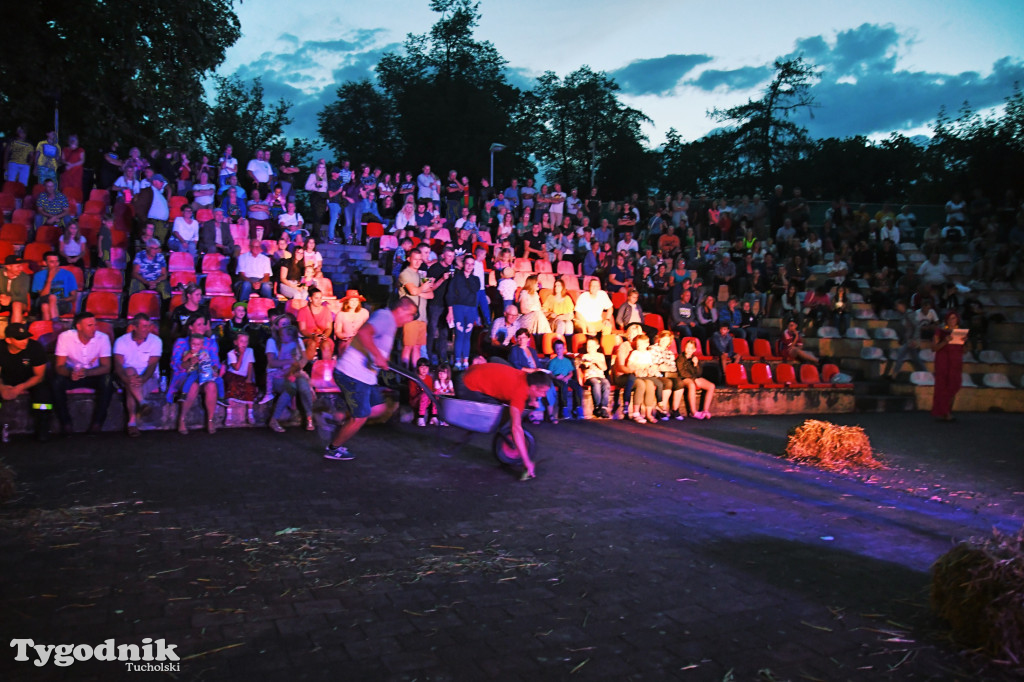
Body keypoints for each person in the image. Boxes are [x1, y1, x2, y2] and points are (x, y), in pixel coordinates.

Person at [325, 298, 417, 461]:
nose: (411, 319)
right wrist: (377, 356)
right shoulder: (385, 317)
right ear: (401, 310)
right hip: (353, 374)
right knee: (360, 417)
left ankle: (339, 417)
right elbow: (363, 333)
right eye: (411, 315)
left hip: (366, 376)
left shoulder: (390, 323)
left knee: (378, 408)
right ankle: (334, 448)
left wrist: (380, 358)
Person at [459, 362, 553, 479]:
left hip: (471, 371)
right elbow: (516, 428)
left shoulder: (525, 376)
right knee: (497, 411)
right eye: (543, 392)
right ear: (533, 387)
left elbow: (530, 389)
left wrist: (533, 399)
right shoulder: (518, 393)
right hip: (465, 384)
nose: (544, 395)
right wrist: (526, 461)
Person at [52, 312, 114, 435]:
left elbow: (106, 367)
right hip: (72, 374)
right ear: (79, 327)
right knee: (56, 382)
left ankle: (97, 423)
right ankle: (66, 424)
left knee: (107, 381)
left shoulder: (102, 338)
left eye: (95, 325)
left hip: (93, 374)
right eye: (90, 325)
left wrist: (87, 373)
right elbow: (59, 366)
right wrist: (70, 373)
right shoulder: (65, 337)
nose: (94, 329)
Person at [168, 313, 222, 434]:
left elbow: (215, 362)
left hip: (205, 375)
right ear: (190, 327)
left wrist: (213, 369)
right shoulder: (181, 342)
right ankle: (182, 419)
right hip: (185, 375)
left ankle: (211, 420)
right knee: (193, 385)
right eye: (199, 324)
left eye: (204, 324)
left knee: (211, 385)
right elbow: (175, 364)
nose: (203, 327)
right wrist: (188, 362)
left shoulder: (210, 343)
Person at [112, 313, 162, 437]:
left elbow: (152, 365)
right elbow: (118, 365)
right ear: (134, 327)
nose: (148, 329)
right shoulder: (121, 341)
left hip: (148, 377)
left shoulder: (156, 341)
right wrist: (126, 379)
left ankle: (132, 423)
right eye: (144, 326)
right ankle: (142, 403)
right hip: (126, 376)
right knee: (129, 371)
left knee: (131, 386)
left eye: (149, 326)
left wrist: (143, 379)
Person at [0, 323, 52, 440]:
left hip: (30, 380)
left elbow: (39, 376)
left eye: (26, 337)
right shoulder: (1, 348)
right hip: (6, 379)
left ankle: (43, 429)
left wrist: (20, 387)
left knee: (43, 394)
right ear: (9, 340)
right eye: (19, 339)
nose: (24, 341)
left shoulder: (35, 347)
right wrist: (2, 387)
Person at [266, 323, 314, 433]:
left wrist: (294, 370)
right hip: (278, 375)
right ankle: (274, 420)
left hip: (293, 373)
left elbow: (302, 360)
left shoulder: (296, 344)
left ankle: (309, 417)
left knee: (303, 386)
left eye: (284, 336)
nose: (281, 337)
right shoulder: (274, 342)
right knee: (290, 388)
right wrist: (290, 364)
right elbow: (273, 363)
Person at [446, 254, 480, 370]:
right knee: (459, 335)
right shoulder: (456, 278)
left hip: (470, 309)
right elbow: (449, 294)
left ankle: (465, 361)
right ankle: (457, 361)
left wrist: (468, 276)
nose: (470, 266)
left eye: (472, 264)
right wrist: (450, 312)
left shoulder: (475, 279)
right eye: (467, 263)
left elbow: (475, 289)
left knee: (467, 335)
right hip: (458, 308)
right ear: (463, 264)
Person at [931, 311, 965, 422]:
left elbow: (964, 351)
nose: (952, 320)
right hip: (943, 362)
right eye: (950, 318)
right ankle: (945, 413)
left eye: (954, 318)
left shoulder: (961, 333)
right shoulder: (940, 332)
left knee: (953, 386)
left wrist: (965, 343)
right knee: (943, 387)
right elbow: (934, 348)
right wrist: (945, 341)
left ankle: (948, 411)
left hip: (955, 363)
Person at [677, 338, 714, 419]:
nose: (689, 350)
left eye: (691, 348)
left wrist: (696, 364)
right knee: (691, 385)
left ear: (694, 350)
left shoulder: (695, 358)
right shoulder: (681, 358)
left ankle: (705, 410)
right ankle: (693, 412)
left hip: (694, 378)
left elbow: (699, 373)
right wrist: (693, 379)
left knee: (711, 386)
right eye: (687, 347)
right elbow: (682, 373)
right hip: (684, 378)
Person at [297, 287, 335, 362]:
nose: (319, 301)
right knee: (312, 343)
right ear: (310, 298)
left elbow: (329, 328)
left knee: (326, 344)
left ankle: (326, 367)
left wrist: (325, 336)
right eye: (316, 298)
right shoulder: (303, 311)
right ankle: (307, 365)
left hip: (322, 337)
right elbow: (303, 329)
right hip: (308, 337)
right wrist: (312, 336)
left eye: (320, 298)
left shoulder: (326, 310)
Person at [575, 337, 610, 418]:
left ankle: (604, 407)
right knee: (595, 383)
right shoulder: (585, 356)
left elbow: (604, 368)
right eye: (588, 346)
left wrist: (597, 362)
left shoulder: (600, 356)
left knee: (606, 383)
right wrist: (586, 365)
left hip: (600, 377)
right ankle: (597, 407)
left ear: (597, 346)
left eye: (591, 346)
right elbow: (583, 366)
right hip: (590, 377)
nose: (589, 348)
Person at [548, 338, 582, 420]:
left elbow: (571, 372)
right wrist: (556, 377)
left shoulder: (567, 361)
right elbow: (549, 373)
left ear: (563, 349)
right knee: (563, 386)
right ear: (555, 349)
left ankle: (578, 407)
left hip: (567, 378)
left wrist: (567, 377)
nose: (559, 350)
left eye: (560, 348)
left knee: (577, 387)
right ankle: (564, 408)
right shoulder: (553, 361)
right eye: (557, 348)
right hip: (557, 379)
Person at [334, 289, 369, 354]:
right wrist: (345, 338)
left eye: (356, 300)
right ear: (347, 301)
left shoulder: (364, 312)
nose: (354, 303)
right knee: (349, 347)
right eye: (352, 300)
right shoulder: (341, 314)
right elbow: (338, 331)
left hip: (361, 341)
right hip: (345, 341)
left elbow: (367, 330)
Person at [0, 255, 32, 324]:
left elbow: (22, 297)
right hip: (2, 301)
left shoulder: (24, 277)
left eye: (21, 266)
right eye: (18, 266)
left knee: (16, 304)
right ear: (8, 267)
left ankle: (16, 330)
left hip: (20, 303)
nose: (21, 269)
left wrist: (10, 299)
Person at [410, 359, 436, 427]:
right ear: (418, 368)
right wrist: (421, 392)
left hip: (426, 400)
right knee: (425, 394)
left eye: (426, 367)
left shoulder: (429, 378)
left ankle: (434, 416)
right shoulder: (413, 378)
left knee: (436, 393)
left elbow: (432, 391)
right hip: (416, 401)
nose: (424, 370)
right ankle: (420, 418)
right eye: (422, 367)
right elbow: (412, 394)